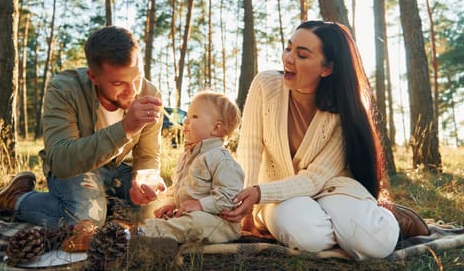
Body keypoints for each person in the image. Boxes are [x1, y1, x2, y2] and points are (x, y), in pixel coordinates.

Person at [221, 20, 429, 260]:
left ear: (327, 68)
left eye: (302, 55)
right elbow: (250, 150)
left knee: (377, 243)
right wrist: (246, 210)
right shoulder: (265, 85)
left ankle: (384, 218)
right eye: (288, 48)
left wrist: (258, 193)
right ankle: (345, 228)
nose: (288, 59)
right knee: (308, 236)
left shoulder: (343, 110)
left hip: (331, 187)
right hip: (276, 195)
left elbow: (315, 178)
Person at [0, 26, 165, 230]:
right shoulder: (64, 89)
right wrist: (125, 128)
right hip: (75, 168)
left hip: (116, 168)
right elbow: (61, 160)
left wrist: (144, 180)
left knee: (157, 209)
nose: (133, 90)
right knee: (85, 222)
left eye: (137, 78)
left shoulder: (150, 94)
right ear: (93, 77)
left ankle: (102, 202)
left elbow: (147, 155)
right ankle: (18, 199)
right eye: (119, 83)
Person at [125, 90, 244, 244]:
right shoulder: (187, 157)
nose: (186, 121)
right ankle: (153, 234)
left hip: (219, 222)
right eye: (187, 115)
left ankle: (142, 234)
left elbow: (230, 197)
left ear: (216, 128)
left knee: (193, 223)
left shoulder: (220, 158)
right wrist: (172, 203)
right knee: (175, 219)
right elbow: (181, 187)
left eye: (194, 116)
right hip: (190, 215)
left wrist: (200, 205)